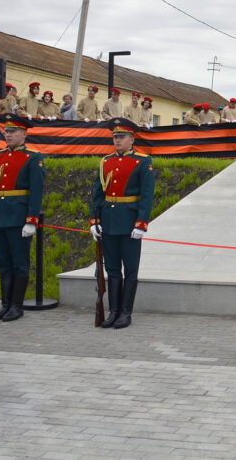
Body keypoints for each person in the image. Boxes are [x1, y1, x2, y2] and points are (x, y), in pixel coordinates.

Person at [0, 114, 45, 322]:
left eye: (13, 132)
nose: (8, 135)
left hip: (19, 217)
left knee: (19, 263)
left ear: (24, 134)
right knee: (3, 263)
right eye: (6, 132)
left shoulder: (33, 157)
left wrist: (31, 220)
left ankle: (16, 306)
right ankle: (5, 305)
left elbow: (36, 191)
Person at [89, 117, 154, 329]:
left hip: (129, 222)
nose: (117, 141)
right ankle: (113, 311)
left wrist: (141, 223)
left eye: (122, 137)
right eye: (115, 137)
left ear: (132, 139)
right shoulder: (105, 162)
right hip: (108, 221)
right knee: (113, 269)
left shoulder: (143, 162)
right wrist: (94, 220)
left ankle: (126, 313)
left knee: (131, 270)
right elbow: (97, 194)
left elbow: (146, 195)